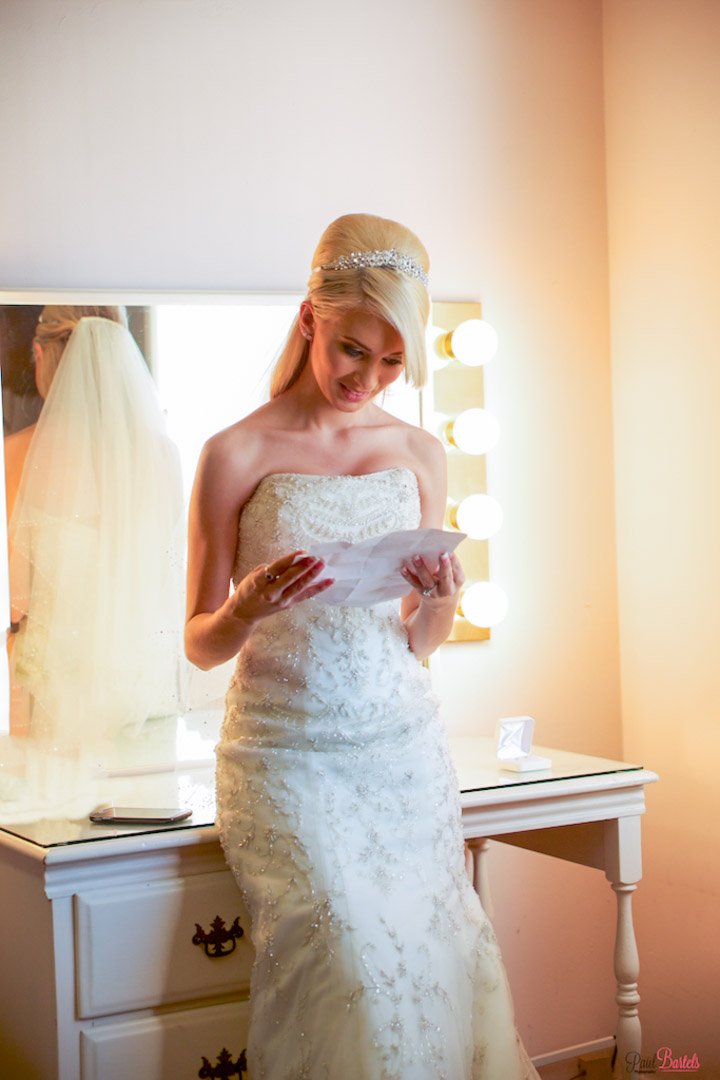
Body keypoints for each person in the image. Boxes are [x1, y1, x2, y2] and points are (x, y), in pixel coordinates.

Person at [185, 213, 539, 1079]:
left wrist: (441, 603)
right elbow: (199, 644)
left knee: (438, 958)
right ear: (311, 318)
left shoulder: (417, 451)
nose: (368, 379)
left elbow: (419, 644)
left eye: (390, 363)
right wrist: (247, 608)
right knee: (346, 960)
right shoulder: (234, 453)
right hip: (286, 756)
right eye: (353, 350)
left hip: (401, 749)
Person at [7, 307, 185, 748]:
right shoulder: (163, 456)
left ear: (40, 354)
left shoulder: (15, 455)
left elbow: (15, 601)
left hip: (54, 690)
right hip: (144, 679)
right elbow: (171, 573)